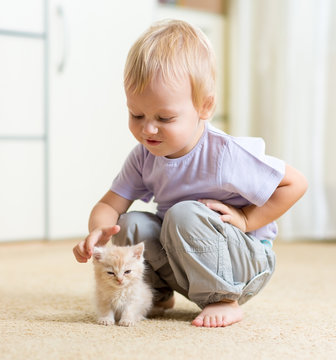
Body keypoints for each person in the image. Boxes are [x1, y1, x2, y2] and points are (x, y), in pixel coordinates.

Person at [73, 19, 308, 328]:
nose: (148, 129)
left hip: (243, 265)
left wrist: (248, 219)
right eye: (136, 114)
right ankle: (157, 293)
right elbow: (109, 205)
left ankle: (223, 298)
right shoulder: (144, 156)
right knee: (128, 223)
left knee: (183, 214)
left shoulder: (224, 153)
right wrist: (99, 233)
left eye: (165, 117)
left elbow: (295, 184)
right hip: (187, 257)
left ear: (204, 107)